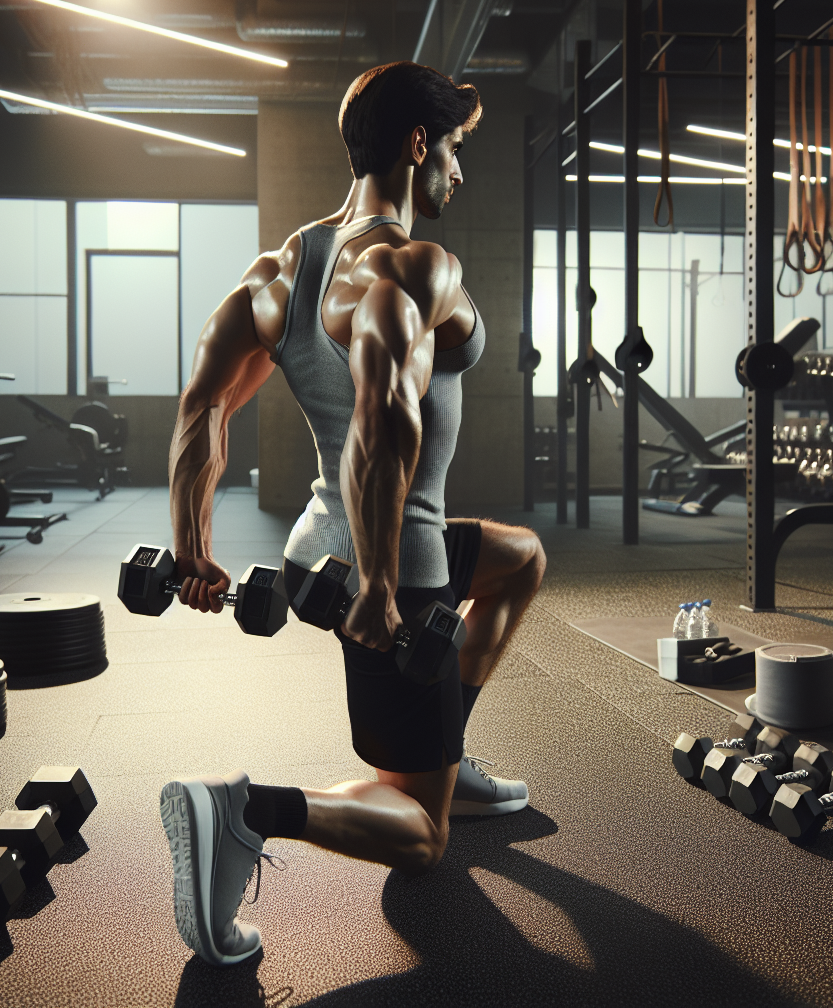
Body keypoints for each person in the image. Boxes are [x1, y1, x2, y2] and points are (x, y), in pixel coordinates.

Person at [160, 61, 546, 967]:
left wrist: (191, 548)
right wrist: (378, 587)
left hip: (313, 553)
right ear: (419, 147)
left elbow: (203, 410)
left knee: (519, 559)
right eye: (455, 150)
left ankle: (446, 741)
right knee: (420, 836)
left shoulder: (280, 269)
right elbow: (384, 418)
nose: (459, 172)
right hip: (391, 570)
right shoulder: (409, 264)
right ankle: (243, 810)